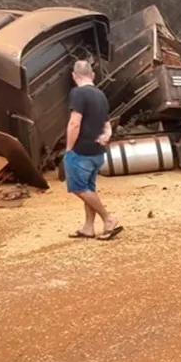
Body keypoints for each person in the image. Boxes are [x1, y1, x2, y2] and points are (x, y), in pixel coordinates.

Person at [64, 60, 122, 240]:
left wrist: (68, 149)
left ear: (74, 76)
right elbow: (107, 124)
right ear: (93, 75)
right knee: (89, 189)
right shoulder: (100, 95)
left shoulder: (78, 93)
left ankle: (109, 218)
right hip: (97, 152)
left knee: (79, 189)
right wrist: (106, 137)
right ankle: (88, 228)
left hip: (81, 151)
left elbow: (75, 123)